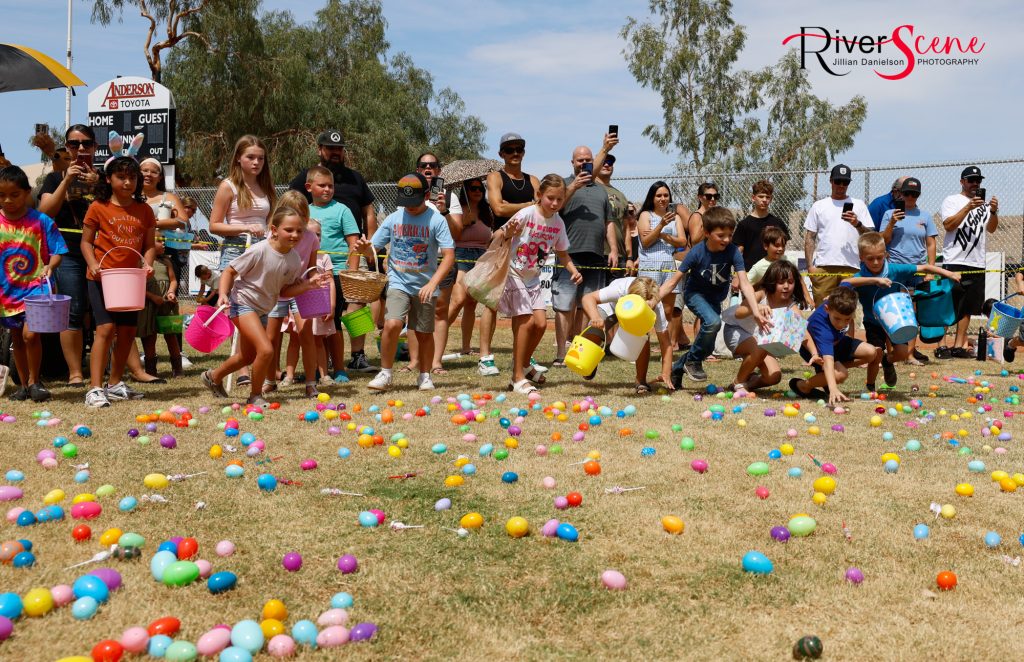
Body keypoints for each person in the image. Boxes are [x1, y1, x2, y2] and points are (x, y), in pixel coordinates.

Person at [200, 206, 329, 406]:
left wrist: (307, 285)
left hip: (263, 308)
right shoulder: (260, 250)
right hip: (242, 303)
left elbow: (284, 292)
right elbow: (229, 271)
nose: (295, 235)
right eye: (289, 230)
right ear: (274, 229)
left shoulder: (294, 259)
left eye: (299, 231)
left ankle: (213, 376)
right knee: (266, 350)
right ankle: (255, 396)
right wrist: (223, 294)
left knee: (247, 356)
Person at [288, 130, 378, 374]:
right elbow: (291, 207)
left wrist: (370, 246)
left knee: (358, 306)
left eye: (339, 149)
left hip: (350, 257)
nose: (335, 152)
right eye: (330, 148)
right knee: (325, 315)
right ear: (320, 150)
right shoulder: (303, 178)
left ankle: (358, 354)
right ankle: (324, 361)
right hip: (315, 266)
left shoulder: (355, 178)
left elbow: (368, 211)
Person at [356, 173, 455, 392]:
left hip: (425, 286)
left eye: (415, 202)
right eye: (405, 203)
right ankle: (386, 373)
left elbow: (449, 255)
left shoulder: (436, 219)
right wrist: (364, 249)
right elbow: (374, 248)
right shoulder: (394, 218)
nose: (409, 207)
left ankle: (425, 375)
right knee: (392, 324)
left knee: (423, 333)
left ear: (426, 195)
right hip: (398, 281)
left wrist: (433, 283)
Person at [492, 174, 582, 394]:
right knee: (525, 320)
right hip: (513, 272)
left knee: (541, 324)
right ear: (539, 195)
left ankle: (523, 365)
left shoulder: (558, 222)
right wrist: (508, 233)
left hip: (532, 278)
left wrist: (573, 270)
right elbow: (495, 236)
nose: (554, 203)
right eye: (550, 198)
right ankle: (518, 377)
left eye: (559, 200)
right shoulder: (526, 214)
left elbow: (562, 252)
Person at [659, 206, 768, 386]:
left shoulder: (733, 252)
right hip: (695, 294)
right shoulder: (696, 252)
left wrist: (755, 310)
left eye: (730, 235)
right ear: (707, 233)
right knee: (713, 322)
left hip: (715, 299)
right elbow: (672, 282)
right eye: (721, 235)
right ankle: (693, 362)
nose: (726, 239)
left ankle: (678, 367)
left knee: (708, 346)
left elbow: (745, 283)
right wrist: (654, 300)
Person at [81, 156, 157, 408]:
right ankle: (94, 388)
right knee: (104, 329)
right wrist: (93, 264)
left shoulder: (144, 211)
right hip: (101, 278)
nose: (127, 182)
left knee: (127, 331)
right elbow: (86, 242)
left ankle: (114, 384)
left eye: (132, 178)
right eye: (121, 177)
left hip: (130, 280)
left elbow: (148, 246)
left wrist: (147, 264)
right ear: (108, 179)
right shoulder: (98, 207)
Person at [841, 232, 960, 389]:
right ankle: (870, 385)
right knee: (875, 353)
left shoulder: (894, 269)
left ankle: (888, 361)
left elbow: (924, 267)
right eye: (870, 258)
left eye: (879, 257)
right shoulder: (861, 275)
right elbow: (844, 282)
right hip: (873, 322)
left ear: (885, 254)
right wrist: (874, 280)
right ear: (861, 257)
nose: (876, 262)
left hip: (897, 320)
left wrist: (949, 274)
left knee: (903, 352)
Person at [208, 135, 276, 388]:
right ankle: (242, 369)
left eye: (260, 158)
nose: (256, 162)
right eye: (250, 157)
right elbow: (214, 225)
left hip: (262, 251)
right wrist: (244, 227)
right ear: (239, 158)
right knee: (239, 309)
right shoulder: (229, 186)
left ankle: (248, 364)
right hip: (237, 249)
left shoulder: (265, 185)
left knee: (258, 307)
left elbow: (268, 220)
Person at [38, 124, 100, 387]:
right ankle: (75, 372)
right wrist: (66, 180)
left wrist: (98, 186)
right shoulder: (54, 178)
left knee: (105, 312)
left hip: (100, 249)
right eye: (74, 144)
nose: (81, 149)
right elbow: (44, 213)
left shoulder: (105, 178)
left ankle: (110, 368)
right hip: (67, 249)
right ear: (66, 148)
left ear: (95, 147)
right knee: (73, 310)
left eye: (86, 143)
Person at [0, 165, 68, 401]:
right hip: (7, 291)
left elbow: (58, 250)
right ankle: (23, 386)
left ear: (27, 192)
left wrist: (51, 265)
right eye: (1, 195)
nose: (8, 200)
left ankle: (34, 380)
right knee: (16, 338)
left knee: (31, 335)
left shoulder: (41, 221)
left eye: (14, 194)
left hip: (35, 288)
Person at [478, 132, 541, 377]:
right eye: (509, 149)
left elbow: (542, 206)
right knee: (491, 301)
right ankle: (485, 357)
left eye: (519, 149)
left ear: (523, 152)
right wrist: (527, 206)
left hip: (526, 247)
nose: (515, 153)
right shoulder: (495, 177)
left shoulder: (533, 180)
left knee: (523, 303)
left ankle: (522, 356)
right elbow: (498, 207)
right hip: (501, 242)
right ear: (501, 154)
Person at [552, 136, 616, 365]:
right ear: (572, 162)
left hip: (596, 255)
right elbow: (555, 207)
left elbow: (609, 222)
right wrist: (573, 186)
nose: (584, 163)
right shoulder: (563, 185)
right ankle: (561, 353)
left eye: (588, 160)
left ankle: (582, 351)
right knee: (564, 305)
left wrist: (614, 249)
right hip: (569, 255)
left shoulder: (601, 191)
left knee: (589, 306)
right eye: (580, 160)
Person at [405, 152, 462, 375]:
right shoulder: (407, 194)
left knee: (439, 311)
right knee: (414, 311)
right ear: (417, 170)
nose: (428, 168)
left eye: (433, 165)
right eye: (423, 165)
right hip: (414, 260)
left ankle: (436, 362)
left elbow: (456, 232)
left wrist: (443, 211)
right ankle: (414, 361)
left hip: (441, 259)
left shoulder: (449, 197)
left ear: (439, 171)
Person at [263, 191, 323, 399]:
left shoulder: (311, 237)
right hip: (277, 291)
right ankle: (270, 380)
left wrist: (315, 280)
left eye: (303, 216)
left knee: (306, 336)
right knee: (270, 339)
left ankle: (310, 383)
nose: (297, 227)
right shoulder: (272, 236)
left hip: (302, 291)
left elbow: (312, 266)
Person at [939, 166, 1000, 358]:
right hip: (955, 260)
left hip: (976, 262)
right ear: (962, 182)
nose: (975, 184)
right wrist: (968, 207)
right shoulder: (952, 200)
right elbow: (948, 225)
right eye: (971, 180)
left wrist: (994, 211)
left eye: (978, 181)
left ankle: (958, 346)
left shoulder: (983, 205)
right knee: (949, 304)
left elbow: (991, 229)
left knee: (967, 307)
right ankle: (941, 345)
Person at [306, 165, 360, 383]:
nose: (327, 189)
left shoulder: (342, 210)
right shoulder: (304, 211)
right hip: (310, 274)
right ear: (309, 187)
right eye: (322, 185)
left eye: (330, 186)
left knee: (333, 321)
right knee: (314, 325)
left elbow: (353, 243)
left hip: (335, 273)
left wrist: (352, 273)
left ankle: (339, 369)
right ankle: (319, 369)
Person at [721, 260, 807, 393]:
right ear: (772, 282)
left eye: (790, 282)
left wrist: (816, 353)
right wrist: (756, 307)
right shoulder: (762, 294)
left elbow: (802, 330)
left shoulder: (791, 306)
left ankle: (749, 382)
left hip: (759, 341)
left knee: (774, 376)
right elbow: (738, 312)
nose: (786, 286)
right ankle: (738, 383)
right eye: (781, 282)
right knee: (758, 349)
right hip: (736, 331)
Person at [581, 276, 673, 394]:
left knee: (642, 336)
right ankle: (590, 364)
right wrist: (595, 317)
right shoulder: (620, 289)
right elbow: (588, 298)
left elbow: (666, 344)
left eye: (647, 307)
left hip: (633, 317)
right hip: (611, 307)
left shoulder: (655, 306)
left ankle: (641, 381)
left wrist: (665, 373)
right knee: (594, 331)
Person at [880, 177, 937, 365]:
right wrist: (892, 223)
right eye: (907, 193)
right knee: (893, 311)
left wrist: (931, 270)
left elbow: (931, 243)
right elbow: (883, 241)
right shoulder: (890, 214)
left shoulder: (925, 216)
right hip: (895, 269)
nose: (910, 197)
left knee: (911, 311)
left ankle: (910, 354)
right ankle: (893, 353)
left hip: (918, 270)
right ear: (899, 194)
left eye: (915, 194)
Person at [791, 287, 880, 406]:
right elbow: (828, 360)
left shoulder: (840, 300)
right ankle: (802, 385)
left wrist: (876, 282)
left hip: (839, 342)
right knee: (840, 374)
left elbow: (849, 282)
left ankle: (865, 385)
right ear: (827, 309)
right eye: (837, 318)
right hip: (817, 350)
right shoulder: (823, 329)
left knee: (872, 352)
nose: (841, 324)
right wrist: (833, 388)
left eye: (847, 319)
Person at [803, 164, 872, 306]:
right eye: (837, 181)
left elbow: (871, 237)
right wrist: (810, 266)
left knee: (848, 312)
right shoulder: (819, 205)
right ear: (831, 181)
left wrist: (857, 224)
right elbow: (810, 237)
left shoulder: (859, 205)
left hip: (851, 267)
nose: (841, 185)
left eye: (845, 182)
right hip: (824, 267)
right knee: (823, 310)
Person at [446, 178, 493, 356]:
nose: (477, 191)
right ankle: (435, 336)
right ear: (466, 190)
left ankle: (466, 347)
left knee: (472, 303)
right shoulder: (457, 210)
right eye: (473, 188)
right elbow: (450, 233)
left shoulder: (486, 212)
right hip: (461, 255)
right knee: (458, 300)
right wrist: (464, 222)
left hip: (481, 257)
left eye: (480, 188)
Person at [636, 181, 687, 345]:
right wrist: (661, 225)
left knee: (667, 310)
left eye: (666, 195)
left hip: (668, 267)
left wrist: (663, 235)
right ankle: (641, 345)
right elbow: (646, 242)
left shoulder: (676, 217)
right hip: (650, 266)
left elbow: (682, 242)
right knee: (646, 308)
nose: (663, 199)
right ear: (652, 197)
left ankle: (667, 346)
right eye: (659, 195)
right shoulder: (645, 215)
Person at [137, 234, 182, 378]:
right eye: (159, 241)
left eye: (163, 241)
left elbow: (173, 280)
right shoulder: (140, 262)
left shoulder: (166, 261)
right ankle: (151, 370)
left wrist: (170, 292)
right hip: (149, 303)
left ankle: (177, 368)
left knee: (171, 335)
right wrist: (152, 297)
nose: (163, 244)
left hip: (166, 304)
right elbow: (137, 286)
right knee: (149, 336)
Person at [733, 180, 789, 270]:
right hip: (749, 271)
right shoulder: (744, 224)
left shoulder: (778, 223)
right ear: (753, 197)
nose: (764, 200)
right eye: (761, 196)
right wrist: (738, 272)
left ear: (771, 199)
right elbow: (738, 252)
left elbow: (783, 248)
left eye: (767, 197)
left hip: (773, 271)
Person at [594, 151, 634, 273]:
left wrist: (630, 258)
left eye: (610, 162)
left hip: (619, 256)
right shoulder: (588, 188)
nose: (607, 165)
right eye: (603, 162)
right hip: (596, 253)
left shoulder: (621, 195)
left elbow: (626, 228)